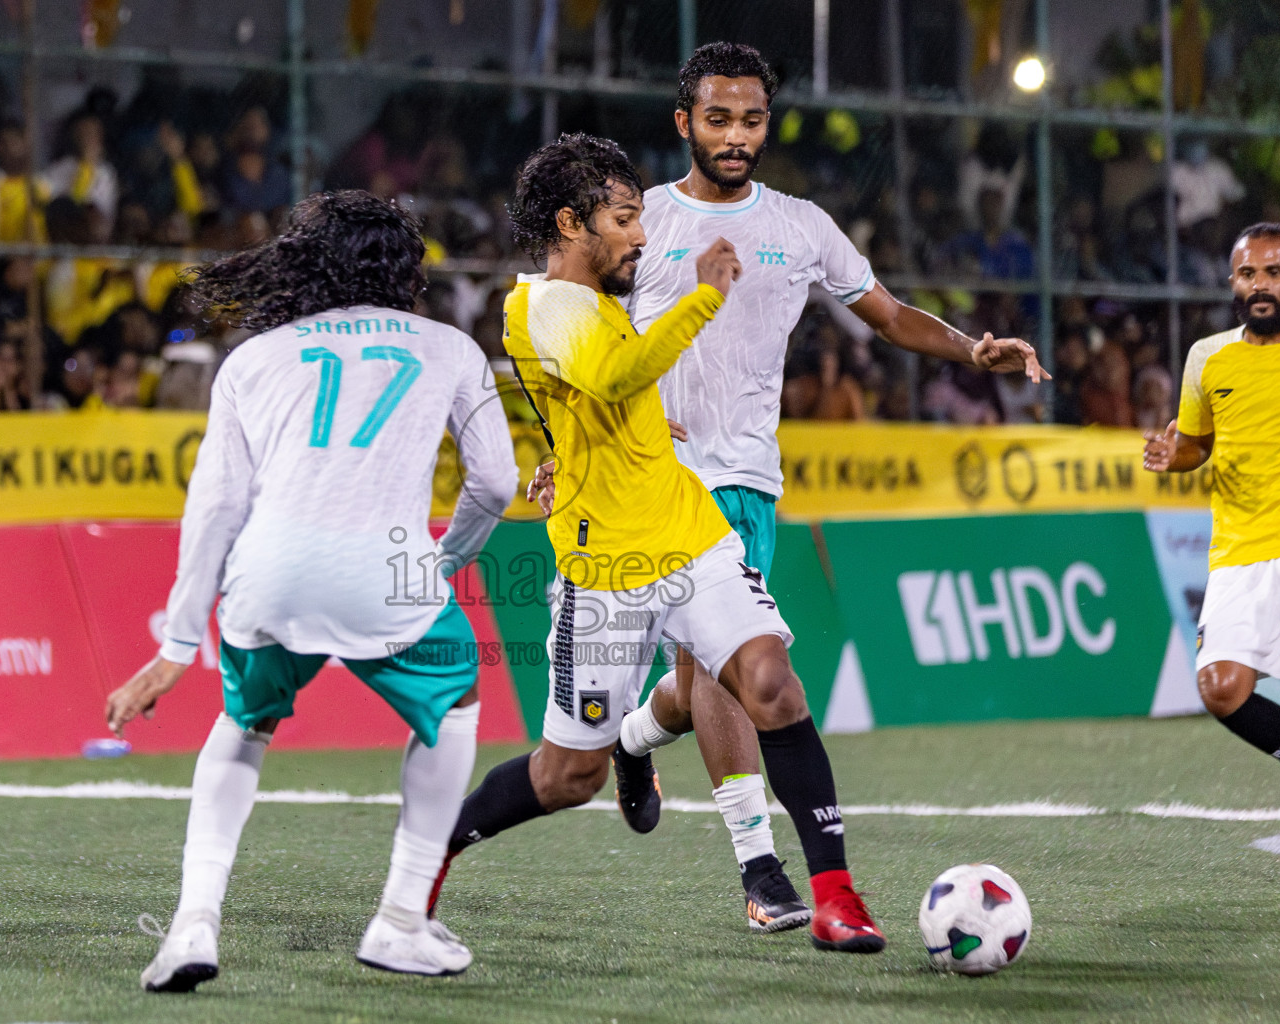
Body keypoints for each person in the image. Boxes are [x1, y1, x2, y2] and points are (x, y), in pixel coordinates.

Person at [512, 44, 1047, 941]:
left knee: (705, 682)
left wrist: (970, 347)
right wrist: (568, 450)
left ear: (768, 123)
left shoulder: (800, 224)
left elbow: (885, 313)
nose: (735, 135)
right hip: (656, 479)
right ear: (684, 123)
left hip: (749, 478)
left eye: (751, 119)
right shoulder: (637, 227)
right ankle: (760, 869)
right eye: (716, 118)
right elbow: (581, 349)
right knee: (737, 677)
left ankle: (639, 739)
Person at [428, 130, 887, 953]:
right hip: (604, 568)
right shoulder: (538, 305)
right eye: (624, 217)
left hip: (688, 535)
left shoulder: (601, 305)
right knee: (568, 775)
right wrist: (704, 297)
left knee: (772, 684)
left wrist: (623, 433)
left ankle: (835, 895)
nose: (641, 235)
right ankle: (431, 852)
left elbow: (610, 394)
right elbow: (612, 377)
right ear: (572, 223)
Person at [103, 190, 519, 988]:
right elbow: (495, 483)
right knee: (457, 701)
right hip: (387, 578)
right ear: (406, 271)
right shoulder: (448, 348)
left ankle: (193, 925)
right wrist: (441, 564)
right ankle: (400, 919)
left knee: (244, 724)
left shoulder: (252, 358)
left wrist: (175, 645)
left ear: (309, 264)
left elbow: (215, 507)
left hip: (267, 577)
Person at [1143, 222, 1280, 781]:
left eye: (1273, 272)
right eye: (1247, 273)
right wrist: (1174, 455)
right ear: (1233, 282)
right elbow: (1198, 446)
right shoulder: (1206, 357)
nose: (1259, 284)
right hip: (1238, 553)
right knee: (1220, 689)